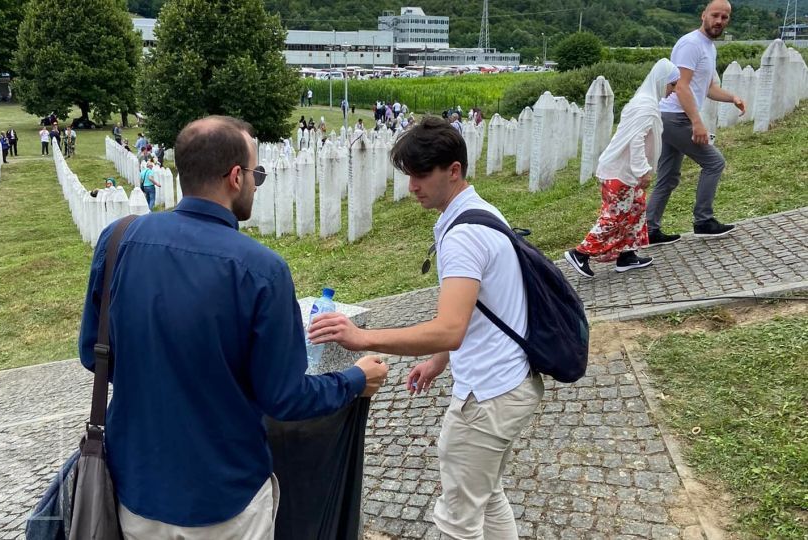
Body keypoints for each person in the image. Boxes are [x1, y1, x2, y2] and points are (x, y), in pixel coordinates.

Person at [78, 115, 388, 537]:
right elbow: (285, 399)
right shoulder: (262, 270)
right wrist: (354, 379)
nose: (257, 184)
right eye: (256, 173)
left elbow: (92, 354)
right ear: (236, 177)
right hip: (225, 500)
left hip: (137, 489)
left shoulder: (117, 240)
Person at [308, 116, 542, 540]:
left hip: (486, 395)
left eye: (421, 174)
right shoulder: (482, 212)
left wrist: (363, 337)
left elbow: (450, 327)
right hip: (513, 382)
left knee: (457, 520)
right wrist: (437, 362)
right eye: (408, 175)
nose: (412, 186)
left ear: (453, 171)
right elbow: (477, 311)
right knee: (486, 495)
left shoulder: (463, 236)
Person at [565, 59, 681, 278]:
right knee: (615, 215)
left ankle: (627, 255)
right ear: (662, 82)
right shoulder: (646, 107)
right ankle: (580, 253)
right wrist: (642, 170)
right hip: (621, 172)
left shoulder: (645, 101)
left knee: (636, 211)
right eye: (672, 84)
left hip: (625, 172)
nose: (673, 90)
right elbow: (636, 140)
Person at [646, 0, 745, 244]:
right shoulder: (691, 44)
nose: (719, 21)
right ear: (703, 15)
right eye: (715, 15)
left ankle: (649, 229)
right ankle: (703, 220)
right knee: (714, 162)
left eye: (724, 17)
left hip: (673, 117)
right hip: (675, 117)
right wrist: (697, 122)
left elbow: (709, 88)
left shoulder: (709, 47)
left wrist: (732, 97)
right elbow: (681, 86)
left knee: (668, 177)